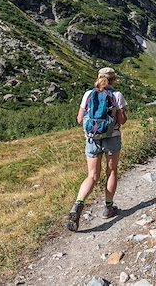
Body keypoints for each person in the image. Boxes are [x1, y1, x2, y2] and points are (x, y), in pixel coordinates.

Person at [67, 67, 127, 232]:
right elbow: (122, 121)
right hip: (112, 137)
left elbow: (80, 119)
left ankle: (78, 205)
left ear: (98, 78)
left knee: (92, 176)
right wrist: (117, 112)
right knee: (112, 172)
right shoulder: (117, 95)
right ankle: (108, 207)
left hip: (92, 139)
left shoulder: (88, 94)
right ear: (113, 80)